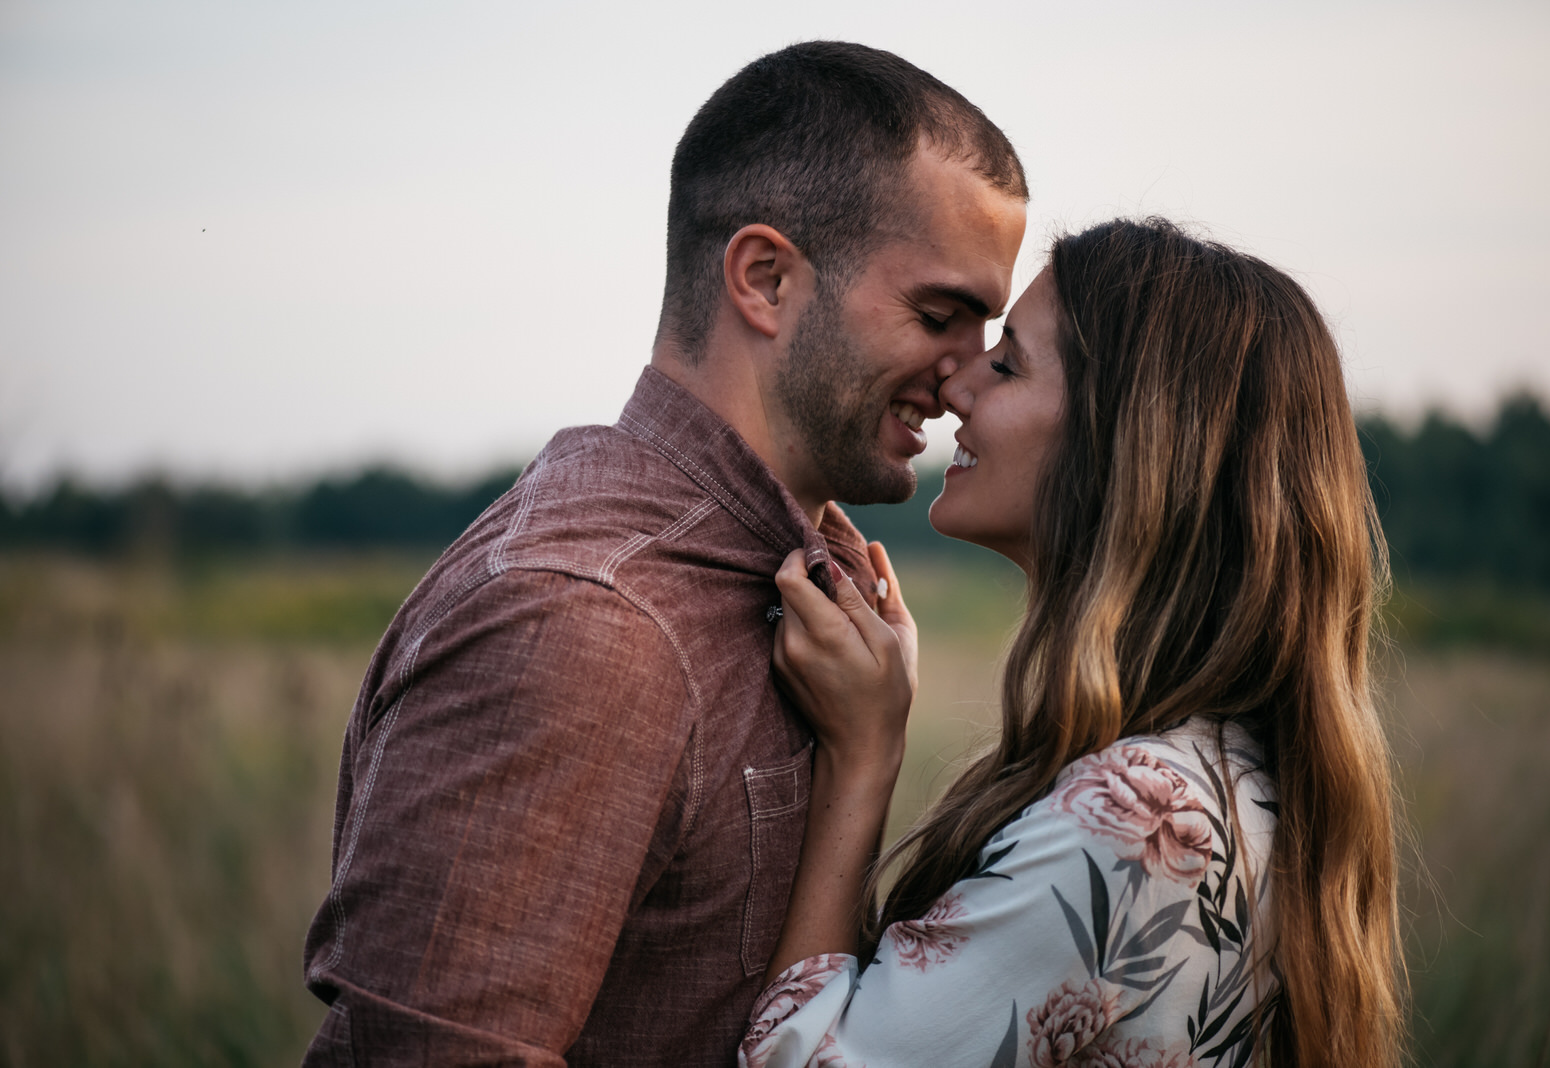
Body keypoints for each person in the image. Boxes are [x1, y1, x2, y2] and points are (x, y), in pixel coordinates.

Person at [298, 41, 1027, 1067]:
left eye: (984, 329)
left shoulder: (803, 588)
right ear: (765, 280)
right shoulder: (584, 625)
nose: (962, 382)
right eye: (937, 316)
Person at [742, 219, 1405, 1068]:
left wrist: (861, 754)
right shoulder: (1221, 776)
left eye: (1009, 361)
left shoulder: (1142, 821)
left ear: (1130, 440)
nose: (955, 387)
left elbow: (803, 1060)